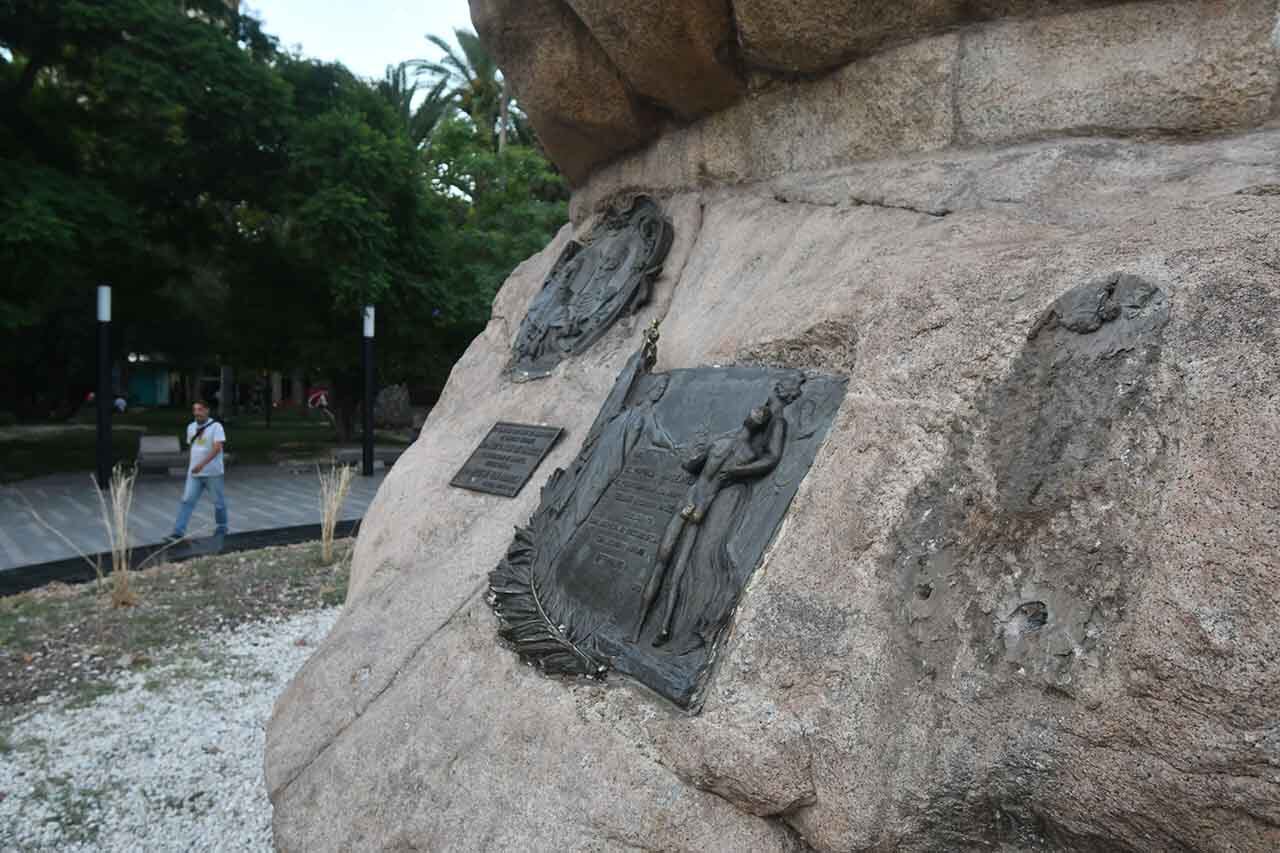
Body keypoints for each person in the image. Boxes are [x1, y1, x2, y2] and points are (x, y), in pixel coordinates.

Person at [166, 400, 228, 541]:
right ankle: (178, 532)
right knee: (187, 501)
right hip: (194, 474)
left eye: (199, 410)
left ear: (207, 410)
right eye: (195, 410)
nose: (196, 413)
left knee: (218, 503)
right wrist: (192, 465)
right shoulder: (191, 427)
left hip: (213, 473)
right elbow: (193, 448)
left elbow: (217, 448)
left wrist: (202, 464)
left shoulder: (216, 427)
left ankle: (222, 527)